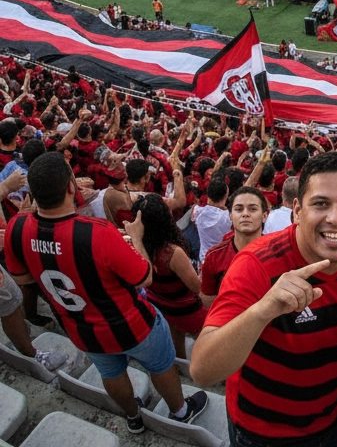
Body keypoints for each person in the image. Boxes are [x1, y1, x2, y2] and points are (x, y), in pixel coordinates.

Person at [191, 152, 337, 447]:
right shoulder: (255, 265)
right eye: (321, 204)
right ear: (297, 210)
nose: (335, 218)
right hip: (266, 432)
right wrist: (263, 311)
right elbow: (201, 370)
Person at [6, 153, 207, 435]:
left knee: (110, 373)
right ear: (70, 188)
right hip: (132, 325)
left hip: (80, 328)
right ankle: (181, 411)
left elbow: (22, 277)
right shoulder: (97, 233)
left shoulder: (17, 226)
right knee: (161, 365)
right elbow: (145, 277)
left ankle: (133, 417)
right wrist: (136, 237)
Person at [132, 193, 208, 359]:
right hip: (186, 310)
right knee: (211, 337)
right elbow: (196, 287)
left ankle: (181, 362)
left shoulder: (138, 247)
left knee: (176, 336)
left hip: (161, 305)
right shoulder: (172, 253)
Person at [200, 187, 268, 307]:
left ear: (264, 215)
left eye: (252, 209)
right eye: (239, 209)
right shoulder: (214, 256)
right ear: (230, 216)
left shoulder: (278, 251)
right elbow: (208, 299)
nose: (245, 214)